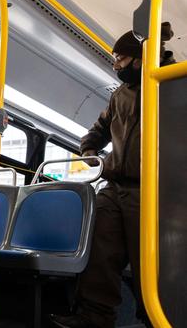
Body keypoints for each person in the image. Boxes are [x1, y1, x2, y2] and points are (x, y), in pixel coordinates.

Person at [50, 23, 175, 328]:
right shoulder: (120, 94)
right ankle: (93, 317)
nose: (116, 64)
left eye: (120, 58)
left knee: (150, 266)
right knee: (100, 253)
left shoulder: (173, 84)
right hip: (115, 184)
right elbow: (100, 129)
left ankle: (159, 320)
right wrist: (89, 149)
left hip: (152, 191)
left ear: (139, 57)